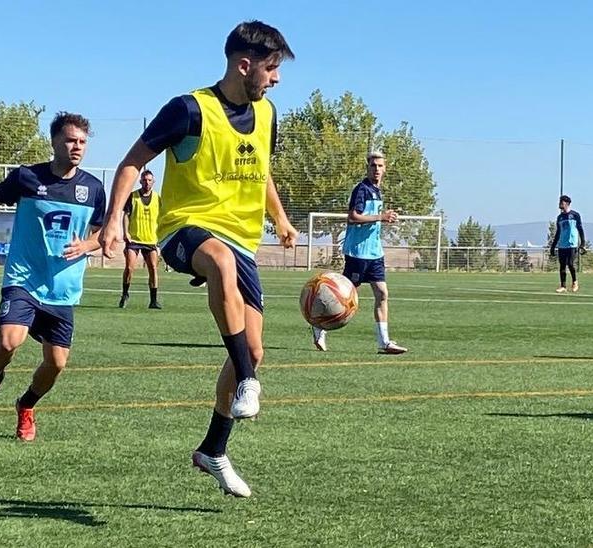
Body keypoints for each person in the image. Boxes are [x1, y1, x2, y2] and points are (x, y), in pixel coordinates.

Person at [99, 21, 297, 498]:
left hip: (242, 240)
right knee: (221, 264)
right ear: (243, 64)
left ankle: (214, 449)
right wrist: (112, 222)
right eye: (271, 69)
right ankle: (250, 383)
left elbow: (263, 172)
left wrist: (282, 219)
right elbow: (132, 163)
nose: (276, 79)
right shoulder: (188, 109)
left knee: (253, 348)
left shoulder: (267, 115)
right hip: (183, 230)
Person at [0, 112, 107, 442]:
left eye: (83, 142)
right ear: (54, 141)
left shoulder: (93, 188)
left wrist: (86, 244)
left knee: (56, 364)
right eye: (71, 140)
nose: (77, 147)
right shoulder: (27, 178)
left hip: (62, 289)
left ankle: (26, 405)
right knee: (7, 341)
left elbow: (104, 234)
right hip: (24, 278)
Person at [312, 151, 407, 354]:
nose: (377, 169)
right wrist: (381, 217)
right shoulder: (361, 190)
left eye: (380, 166)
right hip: (358, 253)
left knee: (382, 293)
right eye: (373, 166)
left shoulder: (377, 191)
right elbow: (353, 217)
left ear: (385, 168)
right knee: (343, 295)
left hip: (375, 253)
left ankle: (384, 341)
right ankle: (319, 325)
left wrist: (385, 218)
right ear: (367, 168)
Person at [119, 170, 162, 309]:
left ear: (153, 182)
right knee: (130, 267)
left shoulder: (158, 198)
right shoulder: (133, 197)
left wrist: (160, 236)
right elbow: (126, 215)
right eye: (144, 180)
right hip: (134, 240)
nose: (147, 182)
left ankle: (153, 300)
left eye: (149, 180)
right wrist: (126, 233)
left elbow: (162, 218)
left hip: (151, 240)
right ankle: (125, 294)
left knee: (153, 269)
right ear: (140, 181)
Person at [547, 195, 585, 293]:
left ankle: (575, 282)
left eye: (562, 202)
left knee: (570, 264)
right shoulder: (559, 217)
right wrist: (553, 246)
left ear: (567, 203)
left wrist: (582, 243)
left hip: (572, 244)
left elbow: (580, 229)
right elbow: (558, 233)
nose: (560, 204)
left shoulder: (575, 215)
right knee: (562, 265)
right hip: (562, 245)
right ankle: (563, 285)